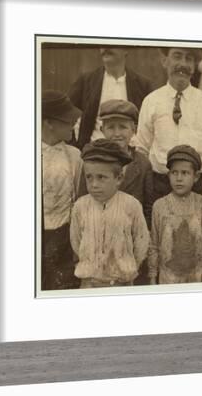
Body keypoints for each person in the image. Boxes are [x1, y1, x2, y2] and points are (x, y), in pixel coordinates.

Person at [135, 47, 202, 202]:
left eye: (189, 59)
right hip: (160, 187)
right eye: (177, 56)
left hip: (199, 186)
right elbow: (141, 150)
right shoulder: (151, 101)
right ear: (165, 61)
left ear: (195, 65)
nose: (183, 64)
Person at [70, 139, 150, 288]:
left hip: (121, 282)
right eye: (89, 177)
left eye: (101, 177)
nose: (94, 184)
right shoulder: (80, 206)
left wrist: (128, 267)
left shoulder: (131, 205)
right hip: (90, 282)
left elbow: (141, 241)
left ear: (119, 178)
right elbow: (76, 240)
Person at [77, 99, 154, 228]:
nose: (117, 134)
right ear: (102, 130)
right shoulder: (91, 160)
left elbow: (148, 207)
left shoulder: (142, 164)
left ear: (133, 129)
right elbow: (82, 201)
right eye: (111, 127)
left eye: (123, 127)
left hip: (130, 231)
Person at [69, 47, 153, 149]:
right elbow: (66, 115)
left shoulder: (142, 84)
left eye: (113, 43)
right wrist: (75, 147)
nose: (106, 48)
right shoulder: (87, 81)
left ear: (126, 49)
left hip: (131, 153)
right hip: (94, 153)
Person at [40, 90, 83, 290]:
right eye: (66, 120)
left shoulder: (74, 156)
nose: (73, 124)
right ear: (48, 122)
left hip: (65, 236)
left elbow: (77, 196)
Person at [148, 145, 202, 285]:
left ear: (196, 176)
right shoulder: (160, 206)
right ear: (168, 175)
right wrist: (152, 278)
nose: (179, 178)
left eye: (185, 173)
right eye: (174, 173)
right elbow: (154, 245)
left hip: (197, 277)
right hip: (168, 279)